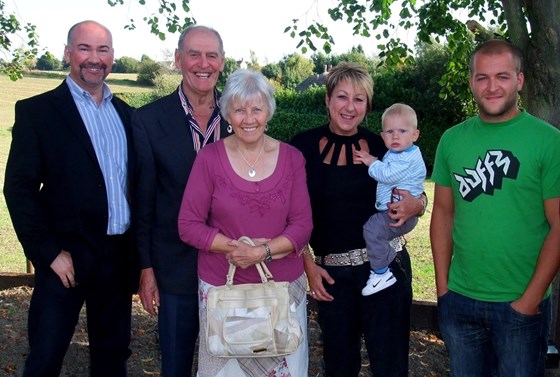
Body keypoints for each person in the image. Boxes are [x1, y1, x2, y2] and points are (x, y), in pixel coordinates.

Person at [3, 20, 137, 376]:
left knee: (112, 360)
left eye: (102, 50)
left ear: (112, 56)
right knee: (45, 357)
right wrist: (48, 253)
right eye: (85, 48)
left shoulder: (126, 115)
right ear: (68, 53)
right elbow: (19, 188)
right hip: (65, 259)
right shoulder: (38, 112)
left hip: (116, 258)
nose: (94, 58)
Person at [430, 39, 560, 377]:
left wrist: (528, 303)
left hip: (521, 305)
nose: (491, 87)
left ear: (519, 80)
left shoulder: (548, 141)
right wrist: (444, 290)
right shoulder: (452, 139)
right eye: (482, 77)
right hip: (460, 300)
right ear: (471, 82)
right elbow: (443, 213)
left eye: (502, 76)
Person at [290, 62, 426, 377]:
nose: (350, 107)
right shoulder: (302, 146)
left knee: (390, 365)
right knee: (339, 366)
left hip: (386, 268)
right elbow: (287, 213)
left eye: (359, 99)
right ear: (327, 100)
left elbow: (416, 188)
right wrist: (308, 266)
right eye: (342, 97)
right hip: (331, 275)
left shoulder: (385, 145)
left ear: (367, 105)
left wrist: (418, 205)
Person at [178, 69, 313, 377]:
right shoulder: (209, 158)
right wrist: (235, 248)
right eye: (239, 109)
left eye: (256, 108)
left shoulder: (292, 158)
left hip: (280, 292)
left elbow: (302, 225)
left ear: (268, 111)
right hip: (224, 294)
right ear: (228, 114)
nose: (248, 118)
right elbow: (188, 224)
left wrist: (259, 252)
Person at [131, 25, 229, 376]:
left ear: (221, 61)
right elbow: (141, 202)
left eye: (211, 55)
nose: (203, 64)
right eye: (194, 54)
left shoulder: (242, 117)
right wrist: (145, 268)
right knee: (176, 365)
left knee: (229, 363)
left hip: (234, 267)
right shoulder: (147, 120)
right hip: (174, 269)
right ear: (178, 60)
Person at [354, 103, 426, 295]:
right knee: (374, 230)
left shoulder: (407, 157)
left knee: (372, 228)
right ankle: (383, 265)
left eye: (402, 131)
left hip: (398, 214)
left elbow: (388, 174)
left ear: (415, 135)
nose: (395, 136)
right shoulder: (398, 152)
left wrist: (370, 160)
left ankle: (381, 272)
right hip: (394, 211)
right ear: (382, 135)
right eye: (389, 131)